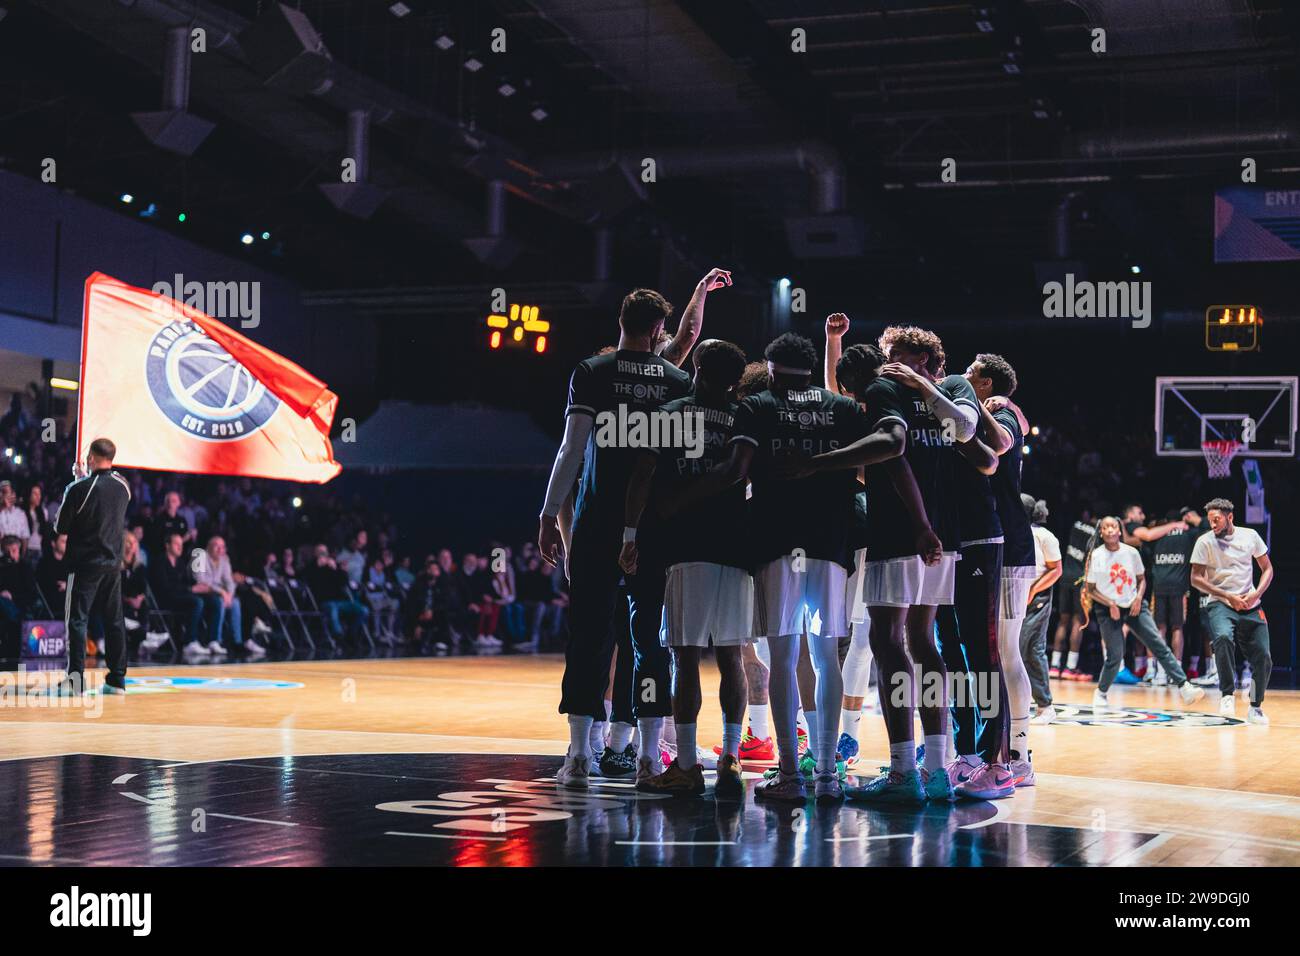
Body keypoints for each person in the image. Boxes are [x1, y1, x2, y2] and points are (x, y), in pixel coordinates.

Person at [538, 287, 696, 789]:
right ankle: (645, 755)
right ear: (656, 331)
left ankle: (579, 756)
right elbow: (674, 466)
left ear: (621, 320)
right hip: (653, 529)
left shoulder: (591, 372)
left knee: (587, 636)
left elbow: (570, 449)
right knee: (648, 641)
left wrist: (547, 515)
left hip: (595, 522)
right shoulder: (676, 380)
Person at [620, 339, 751, 799]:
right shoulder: (745, 415)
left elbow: (641, 476)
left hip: (687, 547)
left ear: (694, 365)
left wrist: (630, 534)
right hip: (737, 546)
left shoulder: (669, 410)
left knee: (686, 656)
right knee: (733, 655)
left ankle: (689, 763)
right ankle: (733, 759)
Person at [1085, 516, 1205, 710]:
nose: (1109, 530)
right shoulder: (1097, 555)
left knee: (1158, 644)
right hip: (1108, 609)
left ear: (1119, 530)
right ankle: (1101, 692)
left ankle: (1184, 686)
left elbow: (1142, 579)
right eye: (1105, 527)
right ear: (1101, 532)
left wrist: (1139, 598)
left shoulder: (1131, 552)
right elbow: (1091, 589)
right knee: (1115, 655)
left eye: (1113, 526)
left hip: (1134, 605)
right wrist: (1110, 604)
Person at [56, 437, 132, 695]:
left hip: (85, 564)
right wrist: (84, 479)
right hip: (113, 564)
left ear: (90, 458)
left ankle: (75, 681)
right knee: (114, 620)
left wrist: (76, 483)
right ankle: (117, 679)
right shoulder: (124, 486)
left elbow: (61, 527)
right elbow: (105, 488)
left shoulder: (79, 489)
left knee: (77, 620)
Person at [1189, 498, 1272, 724]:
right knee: (1223, 638)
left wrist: (1256, 594)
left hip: (1250, 604)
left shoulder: (1250, 536)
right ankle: (1227, 695)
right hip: (1220, 603)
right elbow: (1195, 578)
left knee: (1263, 658)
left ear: (1230, 517)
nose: (1213, 525)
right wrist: (1228, 596)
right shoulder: (1204, 542)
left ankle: (1255, 706)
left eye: (1216, 520)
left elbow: (1267, 569)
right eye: (1210, 521)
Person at [1147, 507, 1203, 685]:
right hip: (1179, 586)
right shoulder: (1189, 533)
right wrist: (1194, 521)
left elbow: (1144, 537)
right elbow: (1207, 530)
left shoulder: (1158, 534)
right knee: (1177, 628)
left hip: (1160, 585)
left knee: (1160, 628)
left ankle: (1161, 672)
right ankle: (1175, 671)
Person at [1020, 495, 1062, 724]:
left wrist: (1033, 590)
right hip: (1015, 596)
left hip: (1038, 598)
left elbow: (1056, 570)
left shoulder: (1045, 536)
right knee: (1013, 651)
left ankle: (1045, 705)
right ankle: (1021, 701)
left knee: (1031, 649)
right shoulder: (1013, 531)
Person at [1051, 510, 1098, 680]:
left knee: (1063, 622)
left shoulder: (1075, 525)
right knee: (1078, 622)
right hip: (1080, 580)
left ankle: (1055, 665)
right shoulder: (1096, 534)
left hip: (1065, 577)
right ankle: (1071, 667)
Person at [149, 532, 207, 653]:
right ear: (167, 545)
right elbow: (164, 587)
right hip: (164, 599)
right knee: (197, 602)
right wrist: (190, 589)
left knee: (206, 599)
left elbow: (186, 581)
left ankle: (205, 640)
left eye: (181, 544)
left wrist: (198, 585)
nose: (180, 547)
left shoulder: (180, 562)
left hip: (179, 596)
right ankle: (190, 641)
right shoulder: (159, 562)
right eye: (176, 544)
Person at [0, 481, 30, 550]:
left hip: (15, 554)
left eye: (5, 492)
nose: (2, 495)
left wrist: (21, 557)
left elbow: (25, 538)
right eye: (0, 492)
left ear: (13, 494)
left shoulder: (20, 514)